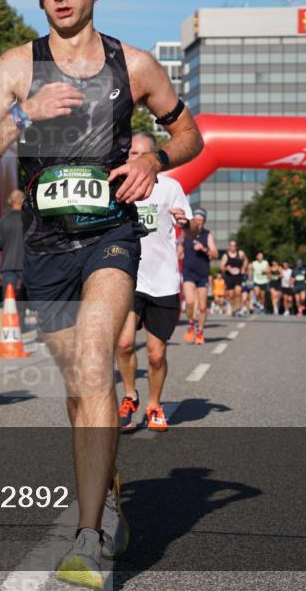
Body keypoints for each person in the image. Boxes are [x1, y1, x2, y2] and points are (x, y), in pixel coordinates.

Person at [0, 0, 204, 587]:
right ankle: (112, 492)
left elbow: (190, 133)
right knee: (78, 388)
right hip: (45, 248)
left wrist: (153, 155)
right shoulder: (16, 67)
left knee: (98, 364)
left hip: (111, 237)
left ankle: (89, 536)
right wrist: (22, 114)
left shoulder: (136, 66)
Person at [115, 133, 191, 433]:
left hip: (163, 280)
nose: (134, 159)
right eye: (131, 153)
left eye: (141, 154)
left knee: (156, 355)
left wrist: (186, 222)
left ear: (154, 159)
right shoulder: (116, 185)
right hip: (129, 277)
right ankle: (130, 395)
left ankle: (154, 405)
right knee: (122, 342)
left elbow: (192, 225)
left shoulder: (170, 188)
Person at [182, 208, 218, 344]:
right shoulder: (186, 234)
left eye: (201, 220)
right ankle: (191, 323)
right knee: (190, 302)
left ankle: (200, 332)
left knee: (202, 307)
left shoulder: (207, 235)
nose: (199, 222)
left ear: (204, 222)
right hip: (188, 272)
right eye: (196, 220)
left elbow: (215, 254)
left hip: (203, 274)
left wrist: (203, 248)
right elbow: (178, 249)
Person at [0, 189, 26, 303]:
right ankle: (24, 319)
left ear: (11, 202)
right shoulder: (28, 219)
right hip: (26, 265)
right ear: (22, 201)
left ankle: (10, 320)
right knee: (27, 299)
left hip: (8, 266)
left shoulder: (3, 221)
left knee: (9, 299)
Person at [220, 239, 248, 316]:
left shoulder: (240, 253)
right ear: (229, 246)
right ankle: (233, 307)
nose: (233, 247)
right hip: (229, 276)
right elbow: (221, 266)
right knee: (231, 295)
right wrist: (227, 268)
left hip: (238, 276)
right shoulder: (226, 255)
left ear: (236, 246)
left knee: (238, 292)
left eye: (234, 245)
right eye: (231, 245)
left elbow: (246, 260)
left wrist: (243, 268)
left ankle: (238, 308)